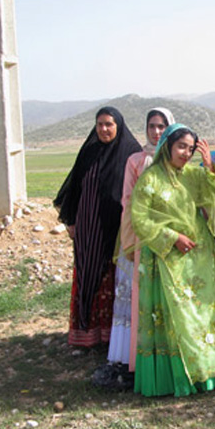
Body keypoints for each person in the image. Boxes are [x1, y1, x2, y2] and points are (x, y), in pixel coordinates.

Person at [129, 123, 215, 397]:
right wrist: (171, 236)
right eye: (181, 147)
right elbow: (140, 219)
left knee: (206, 312)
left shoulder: (194, 175)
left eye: (190, 148)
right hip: (167, 257)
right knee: (179, 317)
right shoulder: (150, 179)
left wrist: (210, 168)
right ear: (167, 147)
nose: (186, 153)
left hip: (200, 254)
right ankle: (177, 378)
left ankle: (209, 374)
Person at [95, 108, 175, 388]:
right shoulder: (136, 161)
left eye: (162, 126)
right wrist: (130, 242)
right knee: (137, 298)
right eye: (152, 126)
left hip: (168, 242)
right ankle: (133, 358)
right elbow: (127, 202)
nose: (156, 132)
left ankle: (165, 358)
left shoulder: (177, 160)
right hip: (140, 240)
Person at [54, 107, 141, 347]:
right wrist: (71, 220)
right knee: (87, 274)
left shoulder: (130, 153)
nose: (103, 129)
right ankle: (86, 332)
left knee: (113, 279)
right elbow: (74, 189)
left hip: (117, 230)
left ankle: (113, 337)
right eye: (100, 124)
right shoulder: (89, 151)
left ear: (118, 126)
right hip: (88, 228)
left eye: (109, 124)